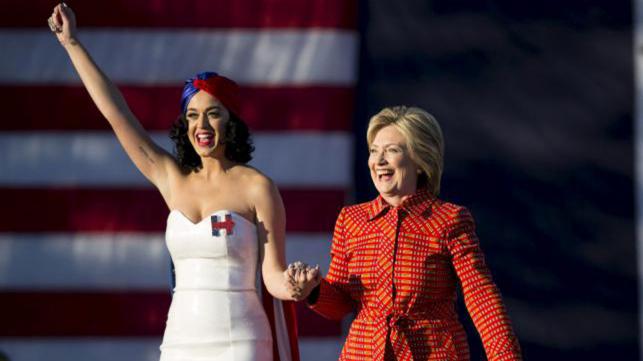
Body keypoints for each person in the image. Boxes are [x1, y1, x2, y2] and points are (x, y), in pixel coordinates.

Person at [47, 4, 302, 361]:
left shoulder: (257, 187)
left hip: (239, 342)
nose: (202, 125)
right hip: (179, 343)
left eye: (213, 114)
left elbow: (272, 275)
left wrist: (294, 286)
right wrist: (72, 43)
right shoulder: (172, 179)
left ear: (232, 122)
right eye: (193, 116)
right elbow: (116, 113)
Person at [286, 106, 522, 360]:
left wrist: (505, 357)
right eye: (374, 151)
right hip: (364, 353)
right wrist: (313, 290)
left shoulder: (449, 219)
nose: (379, 161)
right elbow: (341, 304)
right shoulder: (351, 220)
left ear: (420, 161)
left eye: (392, 150)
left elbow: (481, 297)